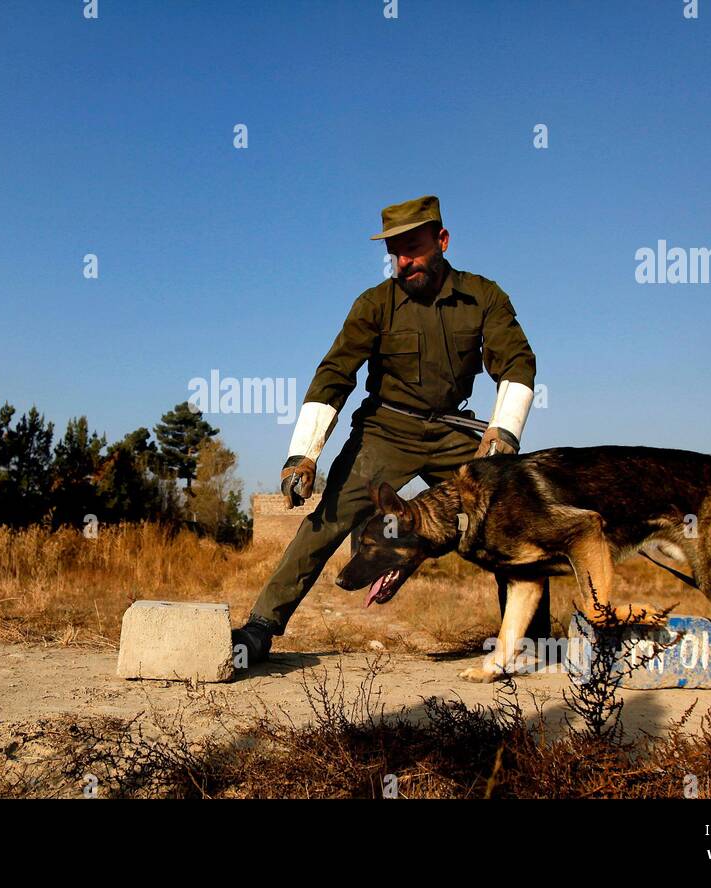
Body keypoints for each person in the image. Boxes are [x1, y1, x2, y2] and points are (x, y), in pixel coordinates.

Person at [233, 194, 546, 665]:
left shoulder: (484, 296)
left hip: (452, 432)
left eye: (413, 249)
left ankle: (533, 643)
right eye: (395, 253)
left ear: (442, 240)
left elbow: (518, 362)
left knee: (508, 517)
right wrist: (303, 454)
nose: (403, 262)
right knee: (326, 522)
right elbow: (335, 373)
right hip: (385, 431)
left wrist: (503, 432)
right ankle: (259, 628)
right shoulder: (374, 304)